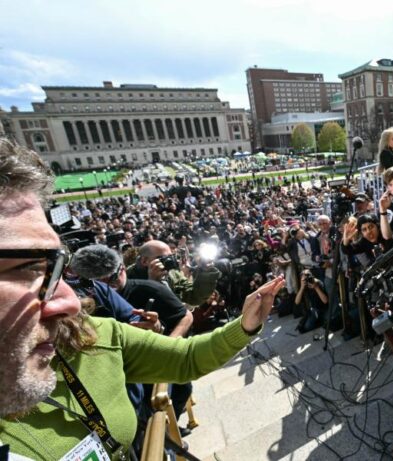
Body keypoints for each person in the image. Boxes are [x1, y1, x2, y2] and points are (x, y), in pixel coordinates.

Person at [0, 139, 285, 459]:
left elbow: (186, 357)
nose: (71, 301)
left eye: (58, 269)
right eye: (28, 268)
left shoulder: (90, 334)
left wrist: (245, 325)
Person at [126, 239, 221, 308]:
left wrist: (205, 271)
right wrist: (153, 283)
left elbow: (194, 296)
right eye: (163, 258)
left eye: (171, 257)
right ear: (144, 261)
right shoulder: (127, 279)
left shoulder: (172, 274)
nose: (169, 262)